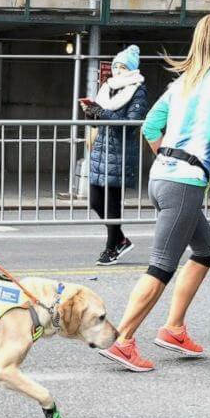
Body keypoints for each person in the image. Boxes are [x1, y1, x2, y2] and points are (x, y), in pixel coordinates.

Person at [99, 14, 210, 372]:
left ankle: (174, 328)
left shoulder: (183, 83)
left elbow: (150, 126)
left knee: (207, 250)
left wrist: (166, 157)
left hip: (163, 178)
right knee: (161, 266)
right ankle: (123, 340)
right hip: (184, 184)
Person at [81, 44, 150, 266]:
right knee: (95, 200)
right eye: (115, 66)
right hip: (101, 151)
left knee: (112, 203)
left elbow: (131, 124)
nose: (117, 70)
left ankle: (111, 247)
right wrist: (91, 113)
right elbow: (98, 122)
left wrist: (103, 113)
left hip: (121, 153)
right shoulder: (107, 88)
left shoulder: (138, 90)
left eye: (122, 66)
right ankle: (120, 239)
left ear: (131, 68)